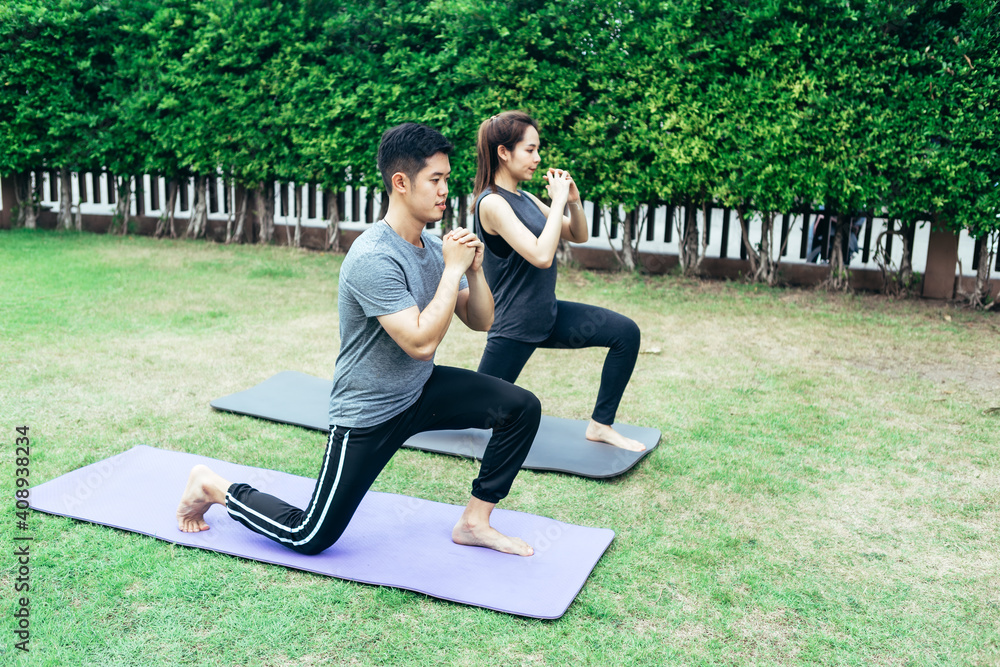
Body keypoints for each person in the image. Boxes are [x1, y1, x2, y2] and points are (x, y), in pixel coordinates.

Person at [176, 123, 540, 557]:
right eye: (436, 180)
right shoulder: (373, 257)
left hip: (420, 390)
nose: (446, 190)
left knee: (521, 408)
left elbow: (481, 321)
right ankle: (213, 486)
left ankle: (474, 522)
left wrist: (474, 271)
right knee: (310, 536)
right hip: (369, 410)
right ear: (401, 183)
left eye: (447, 179)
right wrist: (450, 270)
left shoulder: (429, 244)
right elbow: (420, 343)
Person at [471, 111, 644, 452]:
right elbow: (541, 254)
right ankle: (416, 406)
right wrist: (558, 200)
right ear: (504, 152)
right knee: (476, 415)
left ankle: (600, 425)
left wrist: (574, 202)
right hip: (514, 327)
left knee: (625, 333)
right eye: (530, 150)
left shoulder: (526, 198)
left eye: (538, 150)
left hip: (547, 317)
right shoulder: (491, 203)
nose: (537, 158)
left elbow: (577, 234)